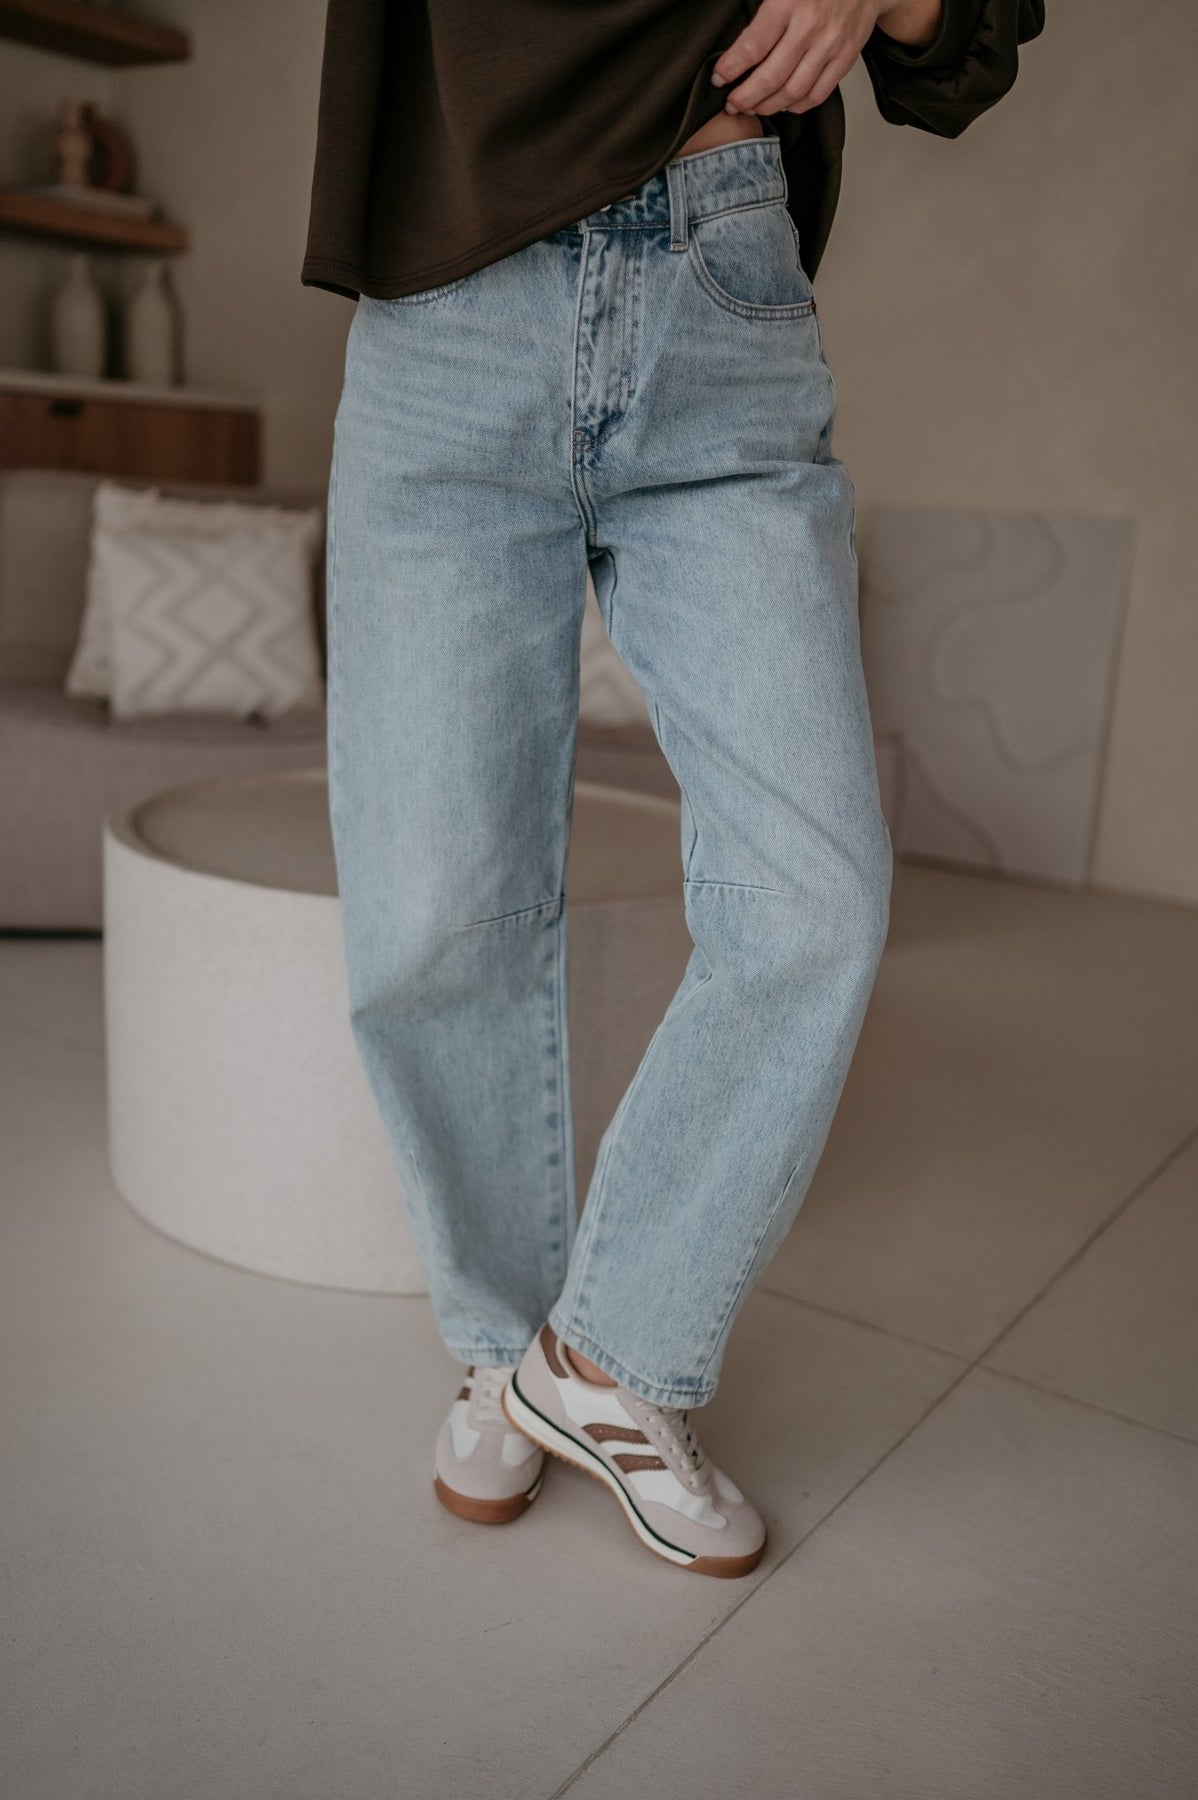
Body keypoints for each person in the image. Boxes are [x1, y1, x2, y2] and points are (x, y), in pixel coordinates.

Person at [302, 0, 1044, 1578]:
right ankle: (503, 1347)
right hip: (451, 309)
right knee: (431, 914)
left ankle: (605, 1355)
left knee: (815, 896)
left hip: (725, 287)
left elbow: (968, 39)